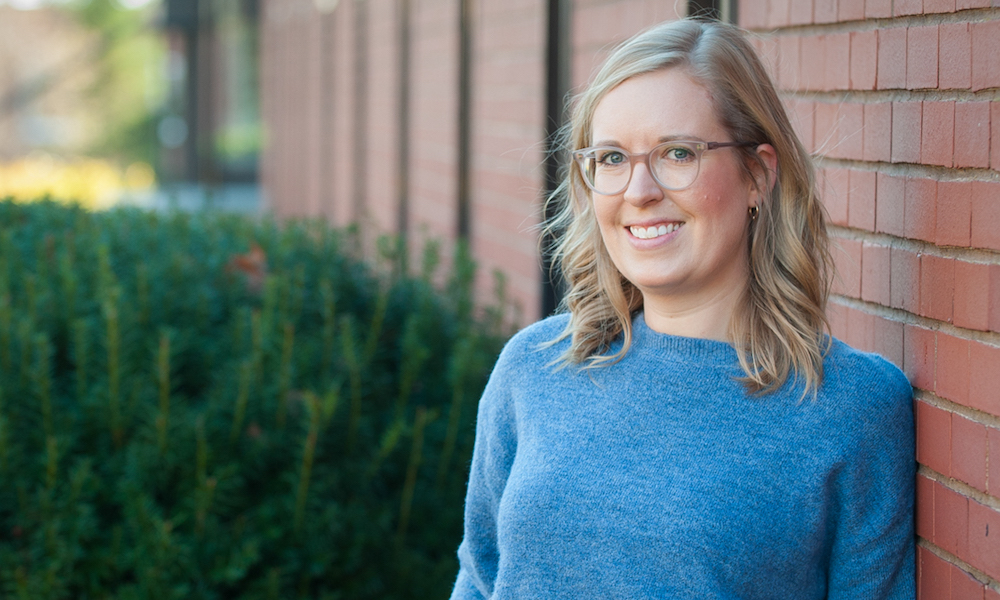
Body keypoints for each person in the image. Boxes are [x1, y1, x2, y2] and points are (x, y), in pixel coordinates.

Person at [450, 18, 914, 600]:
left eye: (676, 152)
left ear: (758, 174)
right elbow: (479, 576)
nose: (638, 191)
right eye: (613, 159)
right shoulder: (535, 367)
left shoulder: (850, 405)